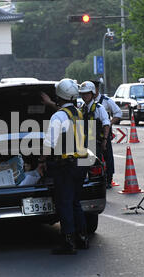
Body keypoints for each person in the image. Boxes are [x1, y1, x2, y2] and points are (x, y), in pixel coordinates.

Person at [41, 78, 89, 255]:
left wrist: (41, 161)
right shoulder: (79, 112)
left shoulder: (58, 116)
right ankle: (82, 238)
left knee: (65, 203)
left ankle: (68, 242)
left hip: (66, 167)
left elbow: (49, 143)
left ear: (59, 96)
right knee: (76, 202)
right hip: (81, 164)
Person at [91, 80, 122, 188]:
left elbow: (118, 113)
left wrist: (109, 124)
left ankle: (109, 179)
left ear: (97, 89)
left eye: (93, 88)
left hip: (104, 132)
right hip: (91, 133)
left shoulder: (106, 101)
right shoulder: (86, 104)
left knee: (107, 155)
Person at [78, 81, 110, 161]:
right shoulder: (80, 109)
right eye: (83, 94)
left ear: (92, 93)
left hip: (97, 143)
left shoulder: (99, 108)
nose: (85, 96)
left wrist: (105, 140)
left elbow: (106, 124)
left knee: (98, 167)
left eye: (87, 93)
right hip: (84, 145)